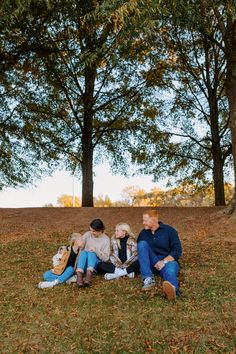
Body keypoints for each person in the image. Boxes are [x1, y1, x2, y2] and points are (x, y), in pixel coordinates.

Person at [137, 209, 182, 300]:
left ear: (153, 220)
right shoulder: (143, 233)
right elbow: (141, 252)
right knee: (141, 244)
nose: (143, 223)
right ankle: (148, 279)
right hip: (151, 262)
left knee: (170, 271)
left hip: (167, 261)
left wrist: (163, 262)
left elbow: (177, 251)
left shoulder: (169, 231)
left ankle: (173, 291)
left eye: (145, 220)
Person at [75, 219, 110, 287]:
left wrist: (96, 251)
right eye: (90, 230)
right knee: (84, 252)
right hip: (82, 263)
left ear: (100, 230)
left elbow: (106, 258)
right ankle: (79, 276)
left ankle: (88, 275)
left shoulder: (106, 240)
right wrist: (79, 246)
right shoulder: (88, 234)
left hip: (94, 266)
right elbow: (79, 246)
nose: (91, 232)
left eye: (93, 231)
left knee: (92, 253)